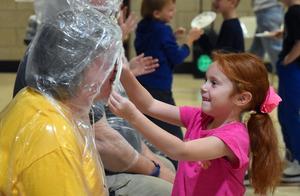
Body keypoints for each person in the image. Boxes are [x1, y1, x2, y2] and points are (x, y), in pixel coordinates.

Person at [108, 51, 284, 195]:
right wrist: (125, 72)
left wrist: (133, 117)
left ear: (242, 98)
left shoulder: (234, 137)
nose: (204, 87)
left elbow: (180, 151)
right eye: (205, 80)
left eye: (214, 83)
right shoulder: (199, 117)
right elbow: (149, 105)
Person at [0, 6, 123, 195]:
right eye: (106, 60)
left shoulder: (42, 100)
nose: (114, 69)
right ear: (76, 64)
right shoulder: (54, 138)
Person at [134, 0, 203, 166]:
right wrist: (189, 40)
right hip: (160, 87)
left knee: (147, 128)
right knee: (173, 133)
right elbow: (177, 57)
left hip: (142, 84)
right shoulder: (163, 29)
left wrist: (172, 36)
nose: (173, 13)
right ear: (157, 13)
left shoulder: (143, 25)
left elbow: (155, 43)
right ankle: (180, 167)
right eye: (170, 11)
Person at [276, 0, 300, 183]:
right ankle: (292, 156)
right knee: (285, 113)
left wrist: (287, 60)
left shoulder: (294, 11)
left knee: (290, 115)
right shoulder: (293, 12)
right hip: (292, 70)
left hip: (293, 69)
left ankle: (298, 161)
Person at [249, 0, 284, 73]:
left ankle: (287, 78)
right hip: (270, 10)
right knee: (256, 51)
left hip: (267, 10)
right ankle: (250, 75)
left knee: (276, 54)